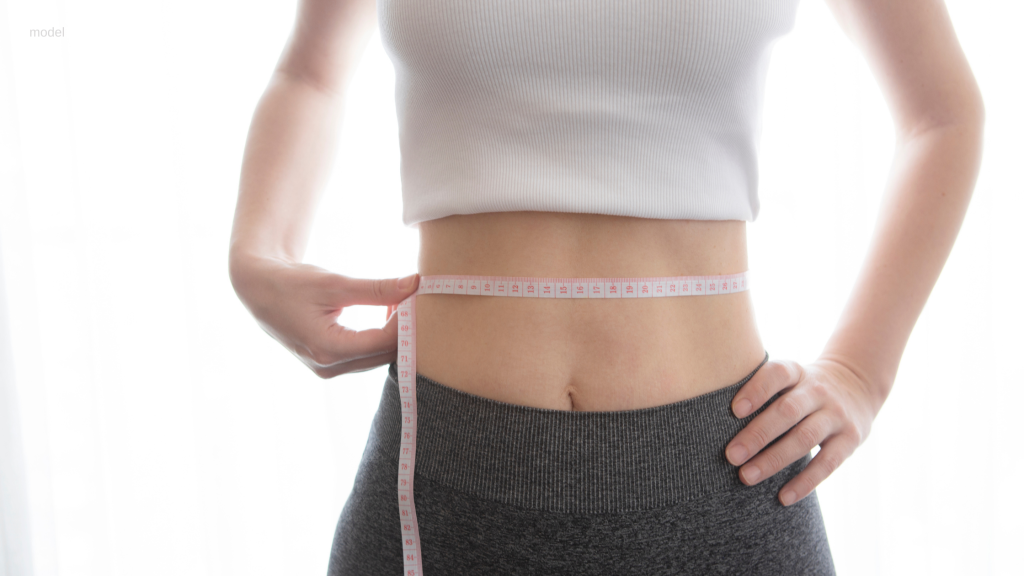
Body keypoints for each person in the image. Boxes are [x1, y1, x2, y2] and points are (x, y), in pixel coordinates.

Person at [228, 0, 984, 573]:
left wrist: (861, 374)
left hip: (723, 482)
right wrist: (256, 252)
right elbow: (311, 73)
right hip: (438, 486)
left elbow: (942, 112)